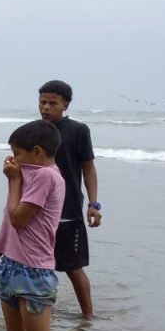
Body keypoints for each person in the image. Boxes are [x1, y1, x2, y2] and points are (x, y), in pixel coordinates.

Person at [0, 119, 66, 331]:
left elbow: (18, 217)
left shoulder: (47, 177)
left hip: (35, 272)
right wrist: (18, 175)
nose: (14, 159)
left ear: (37, 151)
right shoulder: (32, 172)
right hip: (11, 265)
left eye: (17, 153)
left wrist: (13, 181)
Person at [37, 80, 101, 318]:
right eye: (42, 102)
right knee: (39, 265)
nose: (46, 107)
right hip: (37, 212)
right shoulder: (34, 131)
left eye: (52, 103)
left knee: (74, 267)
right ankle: (42, 312)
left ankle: (88, 317)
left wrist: (93, 204)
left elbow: (88, 168)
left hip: (69, 211)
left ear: (66, 105)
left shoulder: (78, 131)